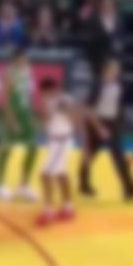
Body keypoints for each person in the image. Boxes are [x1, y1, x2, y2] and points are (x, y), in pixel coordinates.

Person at [78, 59, 133, 199]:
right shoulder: (97, 85)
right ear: (106, 70)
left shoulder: (119, 85)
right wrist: (98, 127)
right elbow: (89, 108)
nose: (116, 72)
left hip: (111, 122)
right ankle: (83, 184)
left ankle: (129, 188)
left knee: (118, 156)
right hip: (95, 122)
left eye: (117, 70)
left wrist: (117, 121)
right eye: (114, 69)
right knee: (90, 154)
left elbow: (119, 104)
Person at [35, 79, 86, 226]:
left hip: (62, 141)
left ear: (53, 89)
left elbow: (76, 118)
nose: (45, 95)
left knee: (45, 173)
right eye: (43, 93)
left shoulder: (65, 100)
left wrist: (66, 112)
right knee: (60, 173)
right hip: (53, 141)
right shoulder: (46, 101)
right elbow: (44, 119)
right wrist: (43, 107)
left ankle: (48, 210)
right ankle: (67, 206)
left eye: (47, 92)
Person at [0, 48, 38, 201]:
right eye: (23, 59)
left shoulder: (27, 71)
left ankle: (23, 185)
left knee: (33, 149)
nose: (26, 61)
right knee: (6, 149)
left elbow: (27, 96)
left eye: (26, 59)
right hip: (12, 114)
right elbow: (4, 100)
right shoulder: (8, 74)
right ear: (15, 60)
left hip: (24, 114)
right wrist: (10, 121)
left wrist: (31, 115)